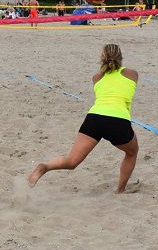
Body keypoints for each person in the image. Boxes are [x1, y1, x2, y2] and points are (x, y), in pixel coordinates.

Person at [28, 44, 139, 194]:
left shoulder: (97, 77)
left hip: (94, 118)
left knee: (72, 161)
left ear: (102, 58)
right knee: (132, 152)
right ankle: (120, 190)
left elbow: (107, 76)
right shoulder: (132, 74)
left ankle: (45, 167)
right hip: (118, 120)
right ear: (120, 57)